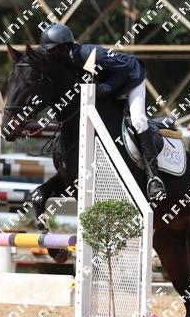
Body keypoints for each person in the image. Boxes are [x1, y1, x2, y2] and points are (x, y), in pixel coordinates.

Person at [40, 22, 166, 201]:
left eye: (51, 51)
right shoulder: (66, 61)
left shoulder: (91, 53)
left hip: (132, 78)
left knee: (138, 121)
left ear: (63, 47)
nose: (49, 55)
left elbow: (126, 69)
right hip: (105, 87)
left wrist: (105, 89)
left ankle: (154, 178)